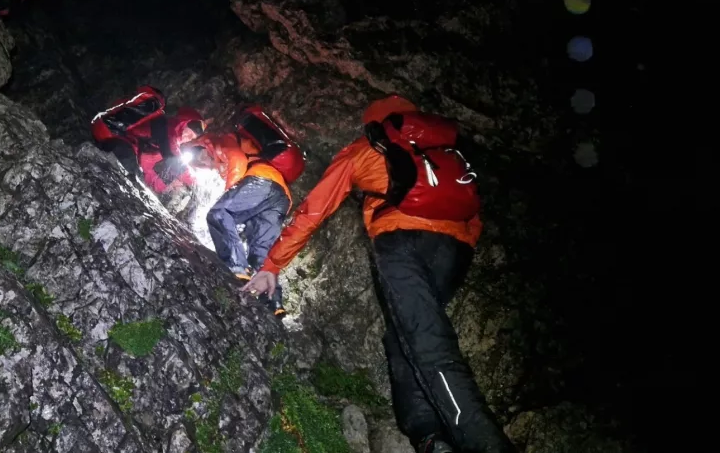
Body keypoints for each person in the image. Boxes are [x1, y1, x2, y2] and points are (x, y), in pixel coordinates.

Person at [242, 94, 516, 453]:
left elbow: (314, 210)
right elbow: (473, 209)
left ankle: (485, 445)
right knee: (402, 337)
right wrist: (460, 243)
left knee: (428, 343)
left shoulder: (368, 146)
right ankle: (430, 436)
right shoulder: (447, 151)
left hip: (402, 242)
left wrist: (272, 264)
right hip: (456, 250)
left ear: (375, 123)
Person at [188, 106, 304, 316]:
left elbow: (239, 162)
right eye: (199, 164)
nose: (203, 162)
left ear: (203, 145)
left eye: (200, 157)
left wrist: (229, 195)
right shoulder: (233, 155)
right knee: (261, 251)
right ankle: (273, 302)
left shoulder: (224, 140)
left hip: (260, 182)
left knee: (219, 214)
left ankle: (236, 268)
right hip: (281, 197)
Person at [90, 86, 205, 193]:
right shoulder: (164, 126)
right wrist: (195, 183)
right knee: (131, 177)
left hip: (112, 139)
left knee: (135, 176)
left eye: (191, 138)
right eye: (189, 133)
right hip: (112, 136)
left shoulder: (160, 143)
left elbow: (148, 168)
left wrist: (167, 184)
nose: (187, 138)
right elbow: (173, 156)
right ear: (183, 124)